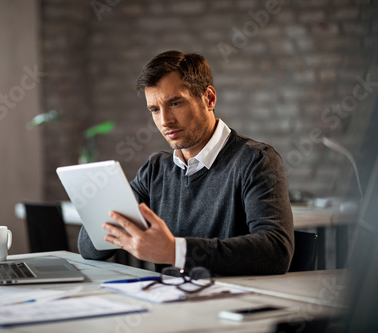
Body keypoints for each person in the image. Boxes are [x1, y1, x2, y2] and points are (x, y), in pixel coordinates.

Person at [78, 50, 294, 276]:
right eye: (154, 109)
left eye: (175, 103)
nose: (165, 120)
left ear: (209, 98)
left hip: (231, 304)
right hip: (170, 302)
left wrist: (175, 251)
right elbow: (89, 248)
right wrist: (106, 205)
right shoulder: (156, 170)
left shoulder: (256, 161)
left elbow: (276, 252)